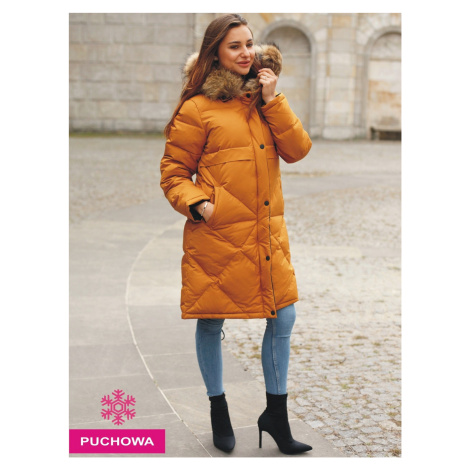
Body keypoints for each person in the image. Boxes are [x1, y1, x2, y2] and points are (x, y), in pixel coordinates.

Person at [160, 13, 312, 455]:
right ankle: (218, 407)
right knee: (212, 318)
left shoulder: (264, 99)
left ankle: (276, 415)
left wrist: (272, 99)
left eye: (249, 43)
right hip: (219, 233)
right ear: (215, 54)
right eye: (235, 46)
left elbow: (298, 150)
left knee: (283, 317)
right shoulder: (196, 108)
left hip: (266, 234)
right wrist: (200, 205)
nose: (246, 52)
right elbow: (173, 173)